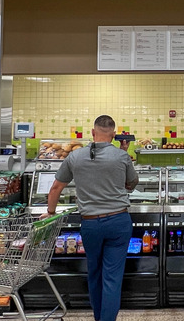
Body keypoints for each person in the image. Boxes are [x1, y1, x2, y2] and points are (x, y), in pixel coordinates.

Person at [43, 115, 138, 321]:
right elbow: (131, 183)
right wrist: (123, 152)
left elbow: (56, 187)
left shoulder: (75, 157)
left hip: (90, 223)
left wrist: (50, 212)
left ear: (93, 133)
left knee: (94, 273)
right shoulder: (122, 157)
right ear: (114, 135)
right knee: (112, 278)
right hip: (118, 222)